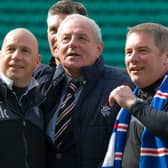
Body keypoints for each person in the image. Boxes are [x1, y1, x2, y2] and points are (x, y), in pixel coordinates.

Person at [45, 14, 133, 168]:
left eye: (82, 38)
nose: (73, 44)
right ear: (57, 48)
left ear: (99, 48)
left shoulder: (122, 84)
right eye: (66, 38)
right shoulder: (41, 83)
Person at [102, 22, 168, 168]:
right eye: (128, 52)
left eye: (142, 51)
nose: (133, 59)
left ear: (166, 57)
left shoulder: (130, 101)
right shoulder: (129, 99)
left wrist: (134, 104)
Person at [0, 28, 46, 168]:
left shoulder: (42, 103)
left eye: (25, 51)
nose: (16, 56)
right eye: (10, 49)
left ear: (37, 62)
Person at [34, 0, 88, 87]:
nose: (58, 37)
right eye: (53, 30)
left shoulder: (112, 84)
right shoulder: (32, 82)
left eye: (65, 30)